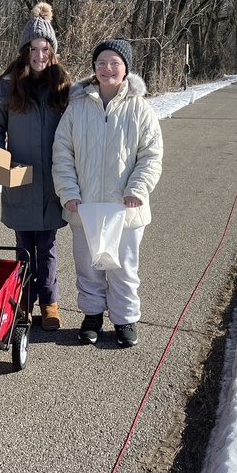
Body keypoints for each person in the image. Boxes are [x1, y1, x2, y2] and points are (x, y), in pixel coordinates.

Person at [52, 39, 163, 348]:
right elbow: (62, 154)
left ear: (126, 68)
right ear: (94, 68)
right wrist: (68, 192)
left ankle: (124, 318)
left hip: (125, 209)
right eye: (101, 63)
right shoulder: (77, 107)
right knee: (88, 267)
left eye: (115, 63)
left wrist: (137, 189)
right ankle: (92, 317)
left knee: (122, 267)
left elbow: (151, 155)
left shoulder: (140, 108)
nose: (107, 69)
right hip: (84, 207)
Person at [0, 2, 71, 331]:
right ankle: (23, 302)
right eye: (34, 49)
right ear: (25, 51)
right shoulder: (7, 87)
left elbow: (76, 128)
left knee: (46, 247)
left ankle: (49, 302)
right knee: (24, 248)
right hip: (19, 180)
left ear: (52, 51)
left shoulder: (62, 87)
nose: (39, 55)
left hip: (51, 181)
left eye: (45, 48)